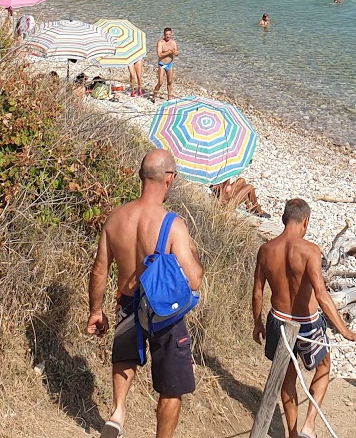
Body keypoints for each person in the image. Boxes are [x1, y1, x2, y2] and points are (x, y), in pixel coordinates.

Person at [88, 150, 204, 438]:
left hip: (128, 303)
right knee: (170, 386)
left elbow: (99, 270)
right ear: (168, 178)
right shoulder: (172, 224)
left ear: (141, 176)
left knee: (125, 358)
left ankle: (117, 414)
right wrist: (193, 254)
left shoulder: (116, 217)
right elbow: (194, 280)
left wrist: (95, 310)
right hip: (163, 311)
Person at [252, 199, 356, 438]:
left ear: (284, 219)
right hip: (307, 323)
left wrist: (257, 322)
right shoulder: (309, 250)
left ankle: (292, 434)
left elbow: (257, 292)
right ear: (305, 221)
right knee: (324, 366)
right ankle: (309, 426)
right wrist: (346, 331)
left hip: (278, 321)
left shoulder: (266, 250)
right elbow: (321, 294)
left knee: (287, 378)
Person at [151, 27, 178, 101]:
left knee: (170, 81)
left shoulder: (173, 42)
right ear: (164, 34)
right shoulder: (161, 42)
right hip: (162, 64)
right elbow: (159, 54)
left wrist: (175, 53)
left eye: (169, 34)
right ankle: (154, 96)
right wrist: (169, 52)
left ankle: (169, 98)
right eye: (166, 34)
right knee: (160, 82)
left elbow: (176, 52)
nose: (168, 36)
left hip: (170, 64)